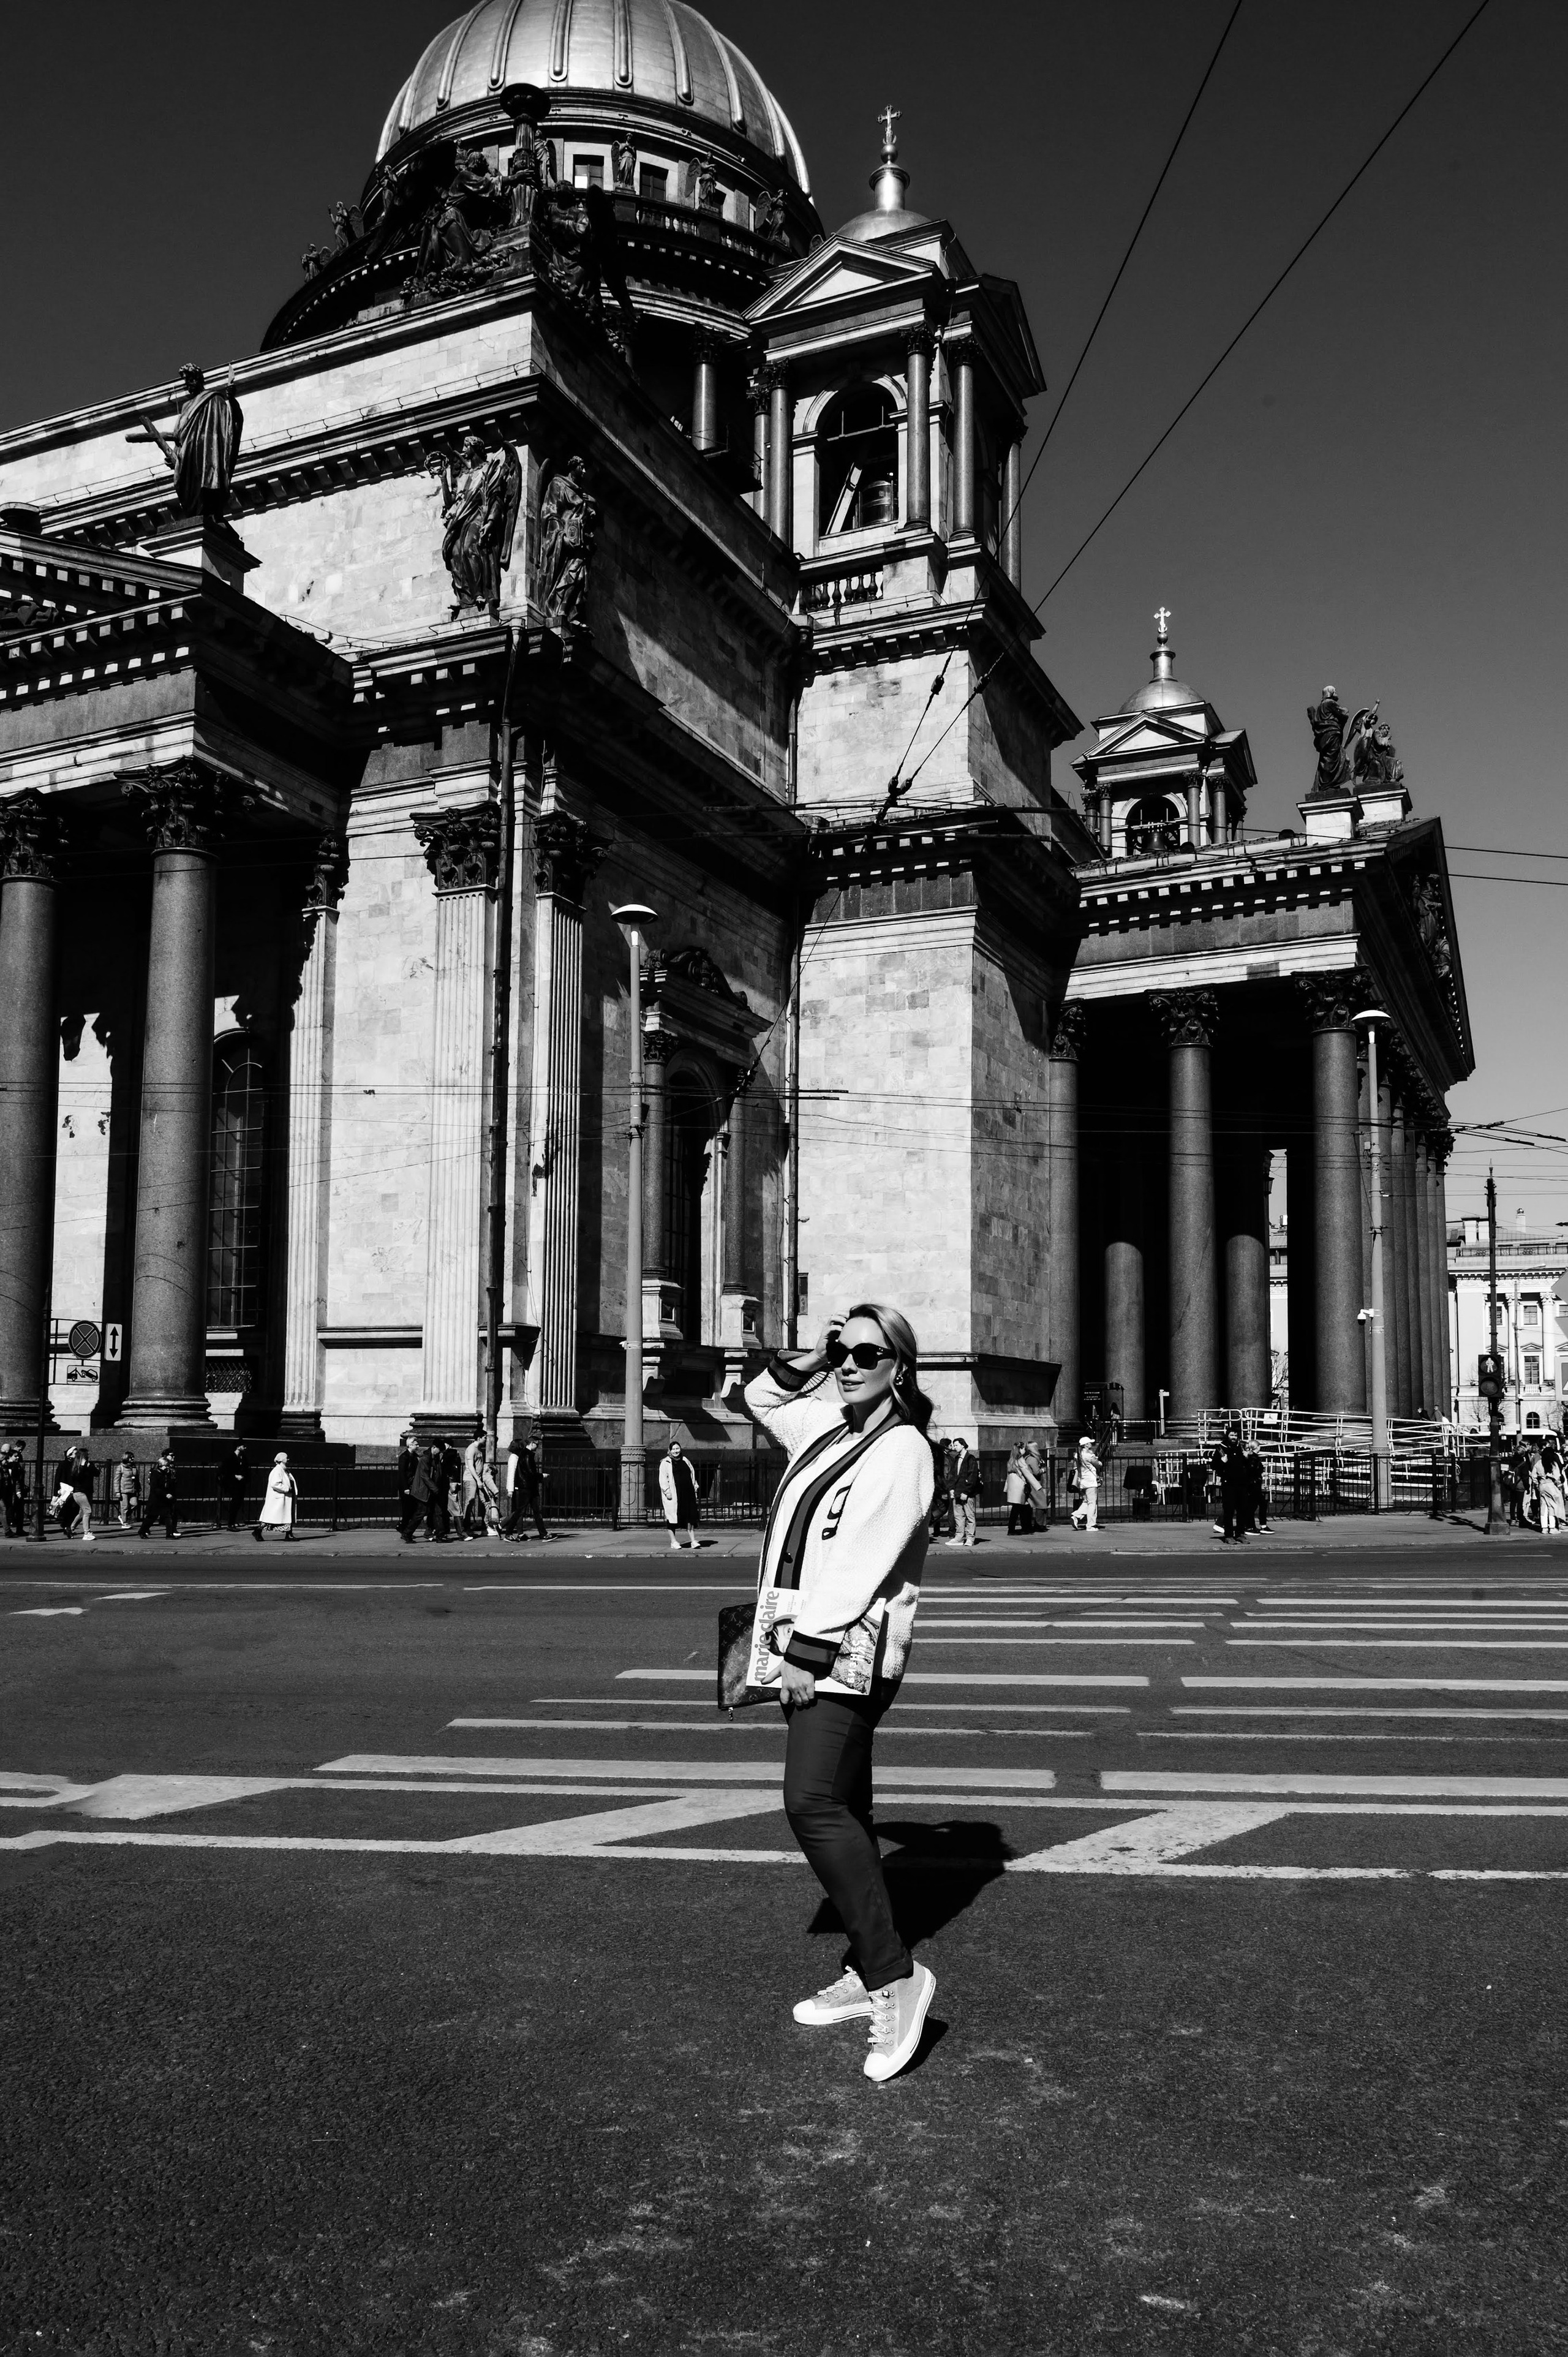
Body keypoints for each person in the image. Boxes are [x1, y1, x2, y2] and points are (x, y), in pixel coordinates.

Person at [742, 1303, 938, 2085]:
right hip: (809, 1642)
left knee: (812, 1803)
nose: (851, 1362)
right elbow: (759, 1398)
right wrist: (812, 1354)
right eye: (844, 1349)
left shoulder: (901, 1449)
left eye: (868, 1351)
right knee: (847, 1806)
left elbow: (863, 1559)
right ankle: (866, 1970)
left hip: (841, 1652)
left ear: (901, 1365)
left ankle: (895, 1976)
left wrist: (806, 1649)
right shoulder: (828, 1424)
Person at [507, 1424, 548, 1542]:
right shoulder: (526, 1456)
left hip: (530, 1488)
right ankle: (508, 1533)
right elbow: (530, 1473)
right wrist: (542, 1476)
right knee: (520, 1511)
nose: (538, 1446)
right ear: (532, 1443)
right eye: (537, 1444)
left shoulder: (526, 1455)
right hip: (526, 1488)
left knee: (537, 1512)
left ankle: (543, 1534)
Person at [659, 1440, 701, 1551]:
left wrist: (695, 1486)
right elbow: (663, 1479)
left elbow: (692, 1474)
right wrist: (667, 1491)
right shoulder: (665, 1463)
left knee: (690, 1517)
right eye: (673, 1449)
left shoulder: (685, 1460)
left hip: (688, 1493)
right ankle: (674, 1541)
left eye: (677, 1449)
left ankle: (693, 1541)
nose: (676, 1451)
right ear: (669, 1451)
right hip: (674, 1495)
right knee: (672, 1518)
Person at [1212, 1424, 1249, 1544]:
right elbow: (1214, 1466)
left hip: (1241, 1483)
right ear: (1227, 1436)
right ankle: (1228, 1535)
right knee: (1229, 1510)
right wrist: (1222, 1462)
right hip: (1229, 1483)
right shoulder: (1221, 1448)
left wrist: (1247, 1458)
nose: (1234, 1437)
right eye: (1232, 1435)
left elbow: (1248, 1466)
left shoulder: (1242, 1447)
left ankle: (1240, 1534)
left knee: (1242, 1509)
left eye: (1236, 1435)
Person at [254, 1452, 298, 1542]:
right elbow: (275, 1484)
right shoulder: (277, 1471)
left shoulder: (285, 1470)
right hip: (279, 1500)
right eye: (287, 1458)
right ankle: (258, 1531)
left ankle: (288, 1534)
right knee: (272, 1518)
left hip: (285, 1499)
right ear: (282, 1460)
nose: (288, 1459)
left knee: (285, 1517)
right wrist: (287, 1489)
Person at [948, 1435, 981, 1546]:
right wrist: (952, 1489)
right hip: (957, 1492)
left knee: (969, 1516)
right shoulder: (957, 1459)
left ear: (963, 1445)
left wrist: (966, 1492)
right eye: (953, 1445)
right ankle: (959, 1537)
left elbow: (973, 1476)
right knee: (959, 1516)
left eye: (956, 1445)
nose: (954, 1447)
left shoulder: (970, 1459)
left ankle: (970, 1538)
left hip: (967, 1493)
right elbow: (952, 1475)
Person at [1003, 1442, 1041, 1536]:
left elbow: (1008, 1476)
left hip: (1013, 1487)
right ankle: (1012, 1530)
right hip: (1019, 1486)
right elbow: (1027, 1473)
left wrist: (1006, 1488)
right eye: (1024, 1449)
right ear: (1020, 1449)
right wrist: (1037, 1486)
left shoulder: (1011, 1460)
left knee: (1023, 1507)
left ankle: (1025, 1527)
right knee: (1017, 1509)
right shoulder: (1020, 1460)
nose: (1025, 1450)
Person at [139, 1451, 177, 1540]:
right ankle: (142, 1530)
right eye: (166, 1466)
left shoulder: (166, 1474)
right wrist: (165, 1494)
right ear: (161, 1465)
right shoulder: (155, 1474)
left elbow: (169, 1485)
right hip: (156, 1499)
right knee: (152, 1517)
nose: (167, 1468)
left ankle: (169, 1534)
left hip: (164, 1500)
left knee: (168, 1516)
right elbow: (155, 1488)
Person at [1069, 1433, 1099, 1532]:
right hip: (1090, 1482)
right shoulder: (1088, 1455)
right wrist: (1098, 1461)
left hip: (1081, 1482)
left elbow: (1074, 1467)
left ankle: (1076, 1516)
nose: (1091, 1444)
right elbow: (1098, 1464)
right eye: (1090, 1443)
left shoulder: (1077, 1455)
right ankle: (1090, 1525)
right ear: (1086, 1445)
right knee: (1092, 1503)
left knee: (1087, 1501)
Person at [926, 1435, 952, 1541]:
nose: (952, 1447)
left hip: (935, 1486)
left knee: (937, 1506)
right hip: (941, 1487)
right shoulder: (945, 1458)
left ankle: (935, 1528)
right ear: (946, 1447)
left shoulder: (937, 1456)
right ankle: (929, 1522)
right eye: (951, 1445)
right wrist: (945, 1490)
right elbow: (946, 1474)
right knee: (943, 1508)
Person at [397, 1433, 421, 1544]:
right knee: (408, 1509)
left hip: (413, 1486)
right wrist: (406, 1487)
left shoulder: (415, 1457)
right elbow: (402, 1473)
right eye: (416, 1444)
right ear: (410, 1445)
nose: (418, 1446)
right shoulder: (404, 1457)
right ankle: (404, 1528)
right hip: (407, 1487)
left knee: (411, 1509)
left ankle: (404, 1528)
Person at [1539, 1440, 1565, 1536]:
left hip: (1541, 1486)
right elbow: (1558, 1476)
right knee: (1553, 1506)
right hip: (1551, 1485)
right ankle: (1552, 1528)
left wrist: (1538, 1482)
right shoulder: (1553, 1464)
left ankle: (1544, 1527)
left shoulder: (1539, 1463)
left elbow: (1533, 1476)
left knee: (1543, 1507)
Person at [113, 1450, 140, 1530]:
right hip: (124, 1490)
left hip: (133, 1489)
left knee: (135, 1504)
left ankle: (123, 1516)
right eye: (131, 1457)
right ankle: (125, 1522)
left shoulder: (134, 1467)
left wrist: (138, 1488)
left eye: (133, 1457)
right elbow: (117, 1480)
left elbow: (137, 1479)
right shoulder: (121, 1467)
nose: (132, 1459)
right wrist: (117, 1492)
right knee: (124, 1507)